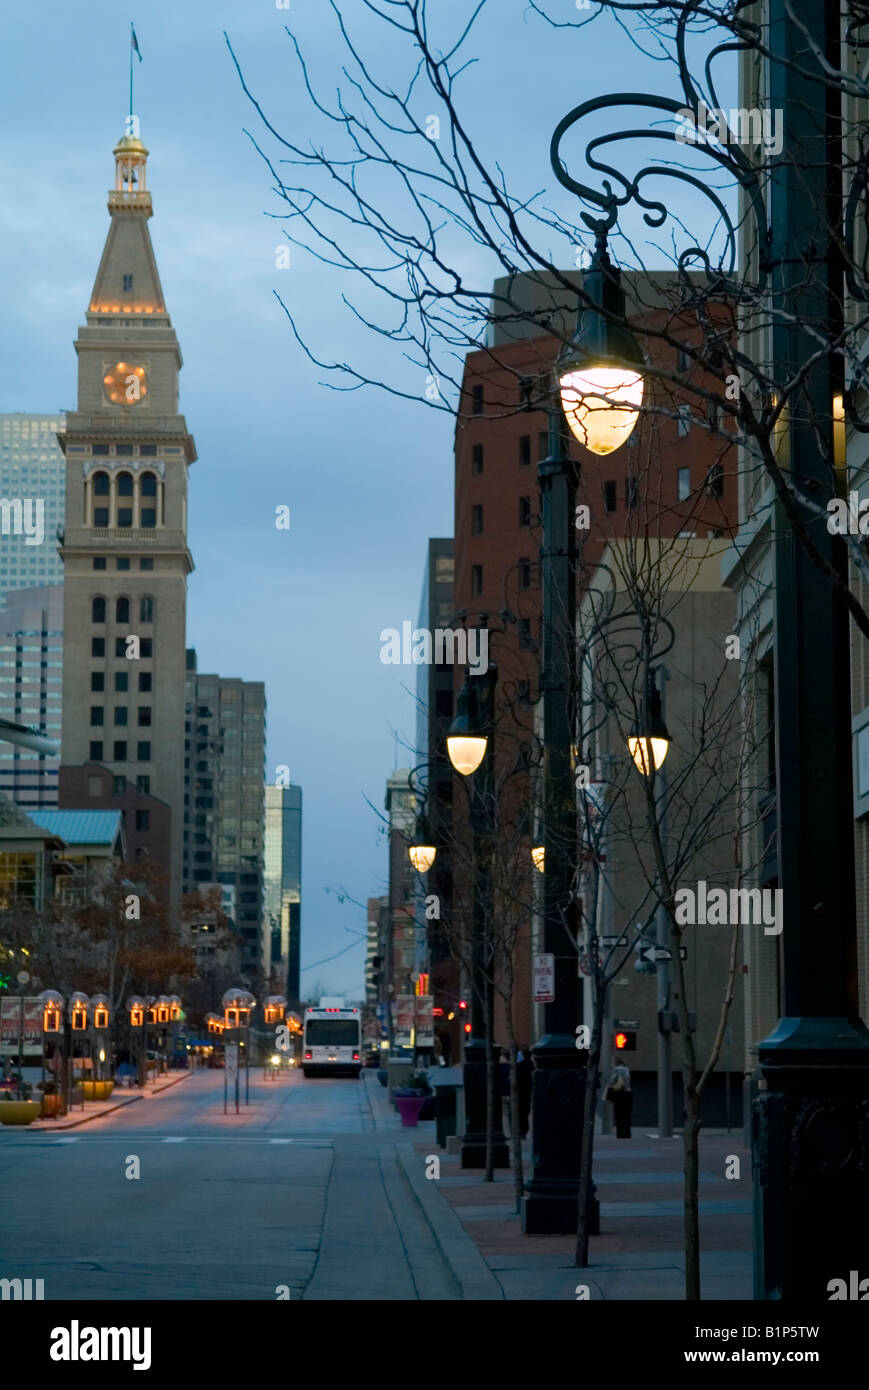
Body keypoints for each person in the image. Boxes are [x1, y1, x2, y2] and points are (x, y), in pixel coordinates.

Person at [607, 1057, 632, 1138]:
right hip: (628, 1094)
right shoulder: (627, 1069)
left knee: (619, 1115)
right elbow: (628, 1081)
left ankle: (620, 1134)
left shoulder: (617, 1069)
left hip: (620, 1094)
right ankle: (627, 1134)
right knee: (627, 1115)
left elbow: (612, 1081)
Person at [516, 1048, 532, 1139]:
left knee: (520, 1113)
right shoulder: (532, 1065)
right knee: (525, 1113)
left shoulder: (519, 1066)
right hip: (527, 1092)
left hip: (519, 1092)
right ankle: (524, 1131)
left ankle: (520, 1131)